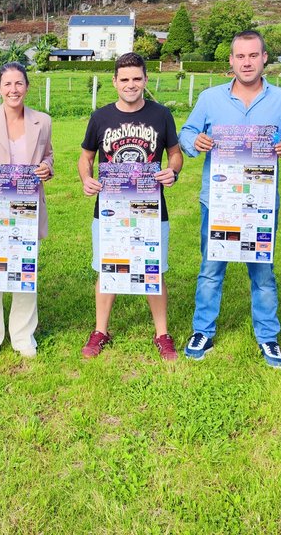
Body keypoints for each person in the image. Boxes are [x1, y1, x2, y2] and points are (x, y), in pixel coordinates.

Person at [179, 30, 281, 368]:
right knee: (211, 268)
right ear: (231, 61)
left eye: (253, 55)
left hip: (260, 203)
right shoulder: (210, 98)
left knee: (262, 272)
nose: (246, 62)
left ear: (265, 58)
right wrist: (197, 143)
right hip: (218, 200)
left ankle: (268, 336)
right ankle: (202, 330)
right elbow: (187, 133)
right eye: (240, 56)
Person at [77, 52, 183, 360]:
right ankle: (100, 330)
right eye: (124, 79)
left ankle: (162, 334)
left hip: (151, 209)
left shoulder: (161, 115)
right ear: (114, 82)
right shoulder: (100, 118)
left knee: (155, 269)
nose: (131, 84)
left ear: (145, 80)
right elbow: (85, 158)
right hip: (110, 210)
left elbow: (176, 154)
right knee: (107, 267)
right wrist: (86, 178)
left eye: (137, 78)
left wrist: (172, 171)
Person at [0, 62, 54, 361]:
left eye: (19, 83)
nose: (13, 89)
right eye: (8, 84)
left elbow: (49, 156)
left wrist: (47, 168)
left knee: (24, 272)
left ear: (27, 87)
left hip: (27, 208)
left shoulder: (43, 121)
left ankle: (22, 335)